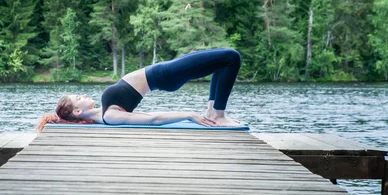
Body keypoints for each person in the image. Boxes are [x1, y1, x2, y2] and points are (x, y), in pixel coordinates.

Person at [36, 48, 242, 132]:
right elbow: (153, 118)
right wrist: (189, 115)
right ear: (77, 111)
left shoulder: (102, 112)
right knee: (231, 57)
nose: (84, 95)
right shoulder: (110, 116)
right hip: (166, 75)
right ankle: (218, 115)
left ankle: (213, 113)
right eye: (78, 97)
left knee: (222, 63)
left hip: (164, 72)